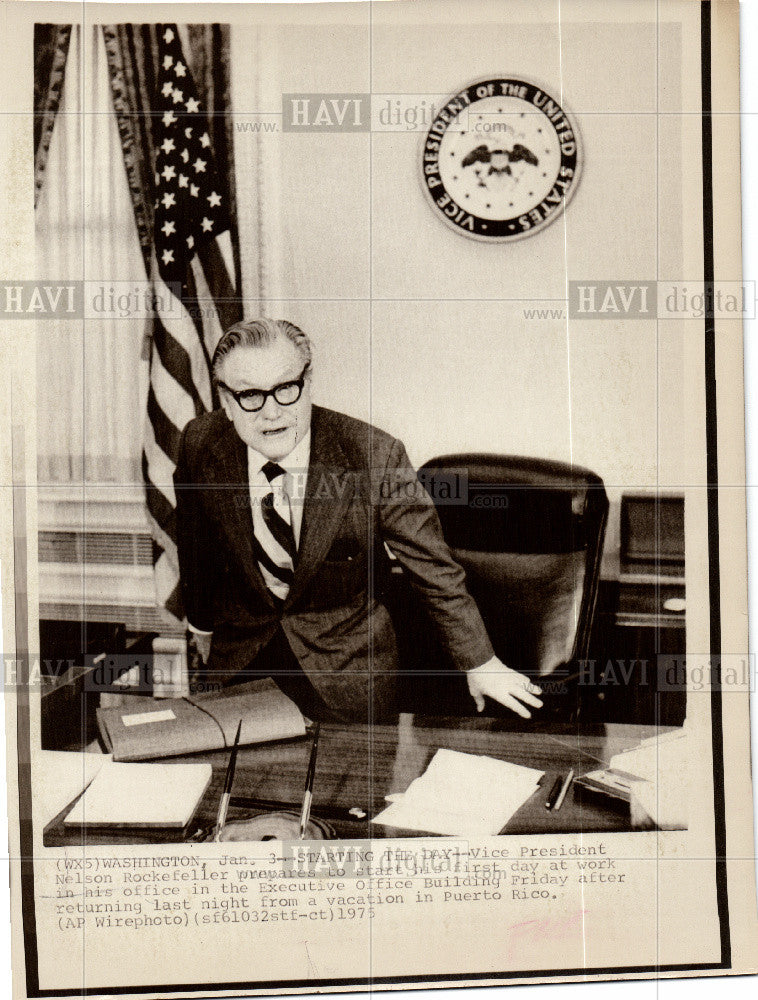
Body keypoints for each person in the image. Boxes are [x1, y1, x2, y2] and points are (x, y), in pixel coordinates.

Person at [174, 318, 542, 723]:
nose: (272, 412)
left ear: (309, 382)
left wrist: (480, 663)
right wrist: (201, 626)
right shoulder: (199, 444)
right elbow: (195, 544)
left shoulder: (374, 457)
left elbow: (434, 570)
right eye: (249, 396)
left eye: (285, 389)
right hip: (240, 667)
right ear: (225, 401)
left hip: (345, 674)